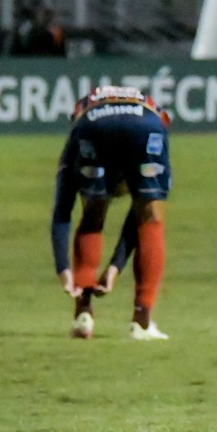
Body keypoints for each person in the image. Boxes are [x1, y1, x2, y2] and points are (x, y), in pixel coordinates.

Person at [51, 85, 172, 341]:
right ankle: (142, 321)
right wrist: (115, 266)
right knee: (150, 216)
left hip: (93, 124)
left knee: (93, 213)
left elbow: (62, 212)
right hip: (146, 123)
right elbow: (138, 222)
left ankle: (82, 313)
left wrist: (66, 270)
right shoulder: (146, 131)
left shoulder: (74, 144)